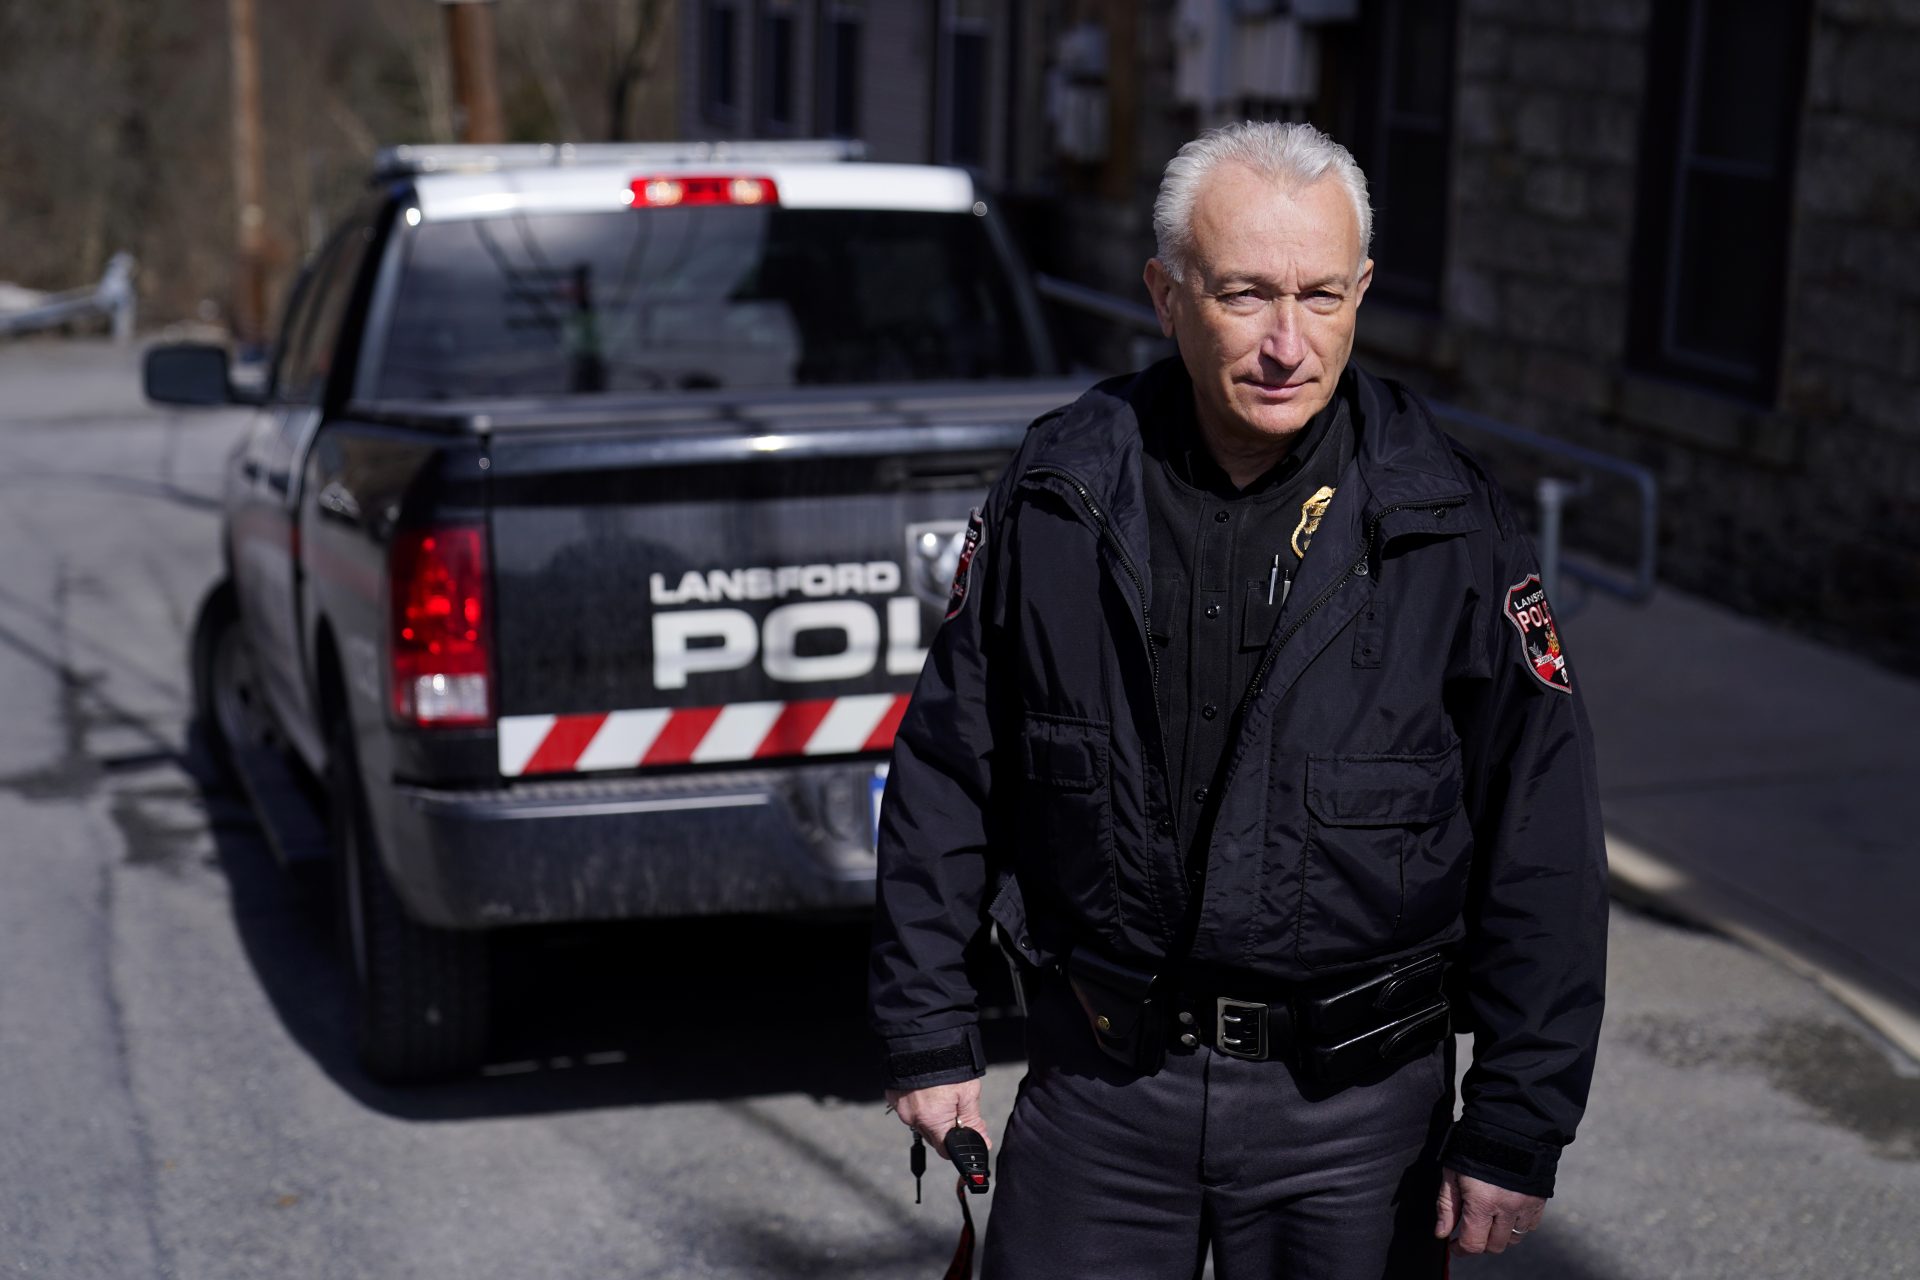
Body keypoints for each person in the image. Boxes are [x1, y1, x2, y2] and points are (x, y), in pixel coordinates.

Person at [869, 121, 1607, 1278]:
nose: (1286, 342)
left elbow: (1544, 836)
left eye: (1321, 296)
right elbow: (949, 771)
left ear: (1362, 290)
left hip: (1358, 1122)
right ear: (1166, 295)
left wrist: (1520, 1117)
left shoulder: (1448, 523)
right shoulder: (1058, 493)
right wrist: (926, 1030)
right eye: (1246, 294)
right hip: (1101, 1099)